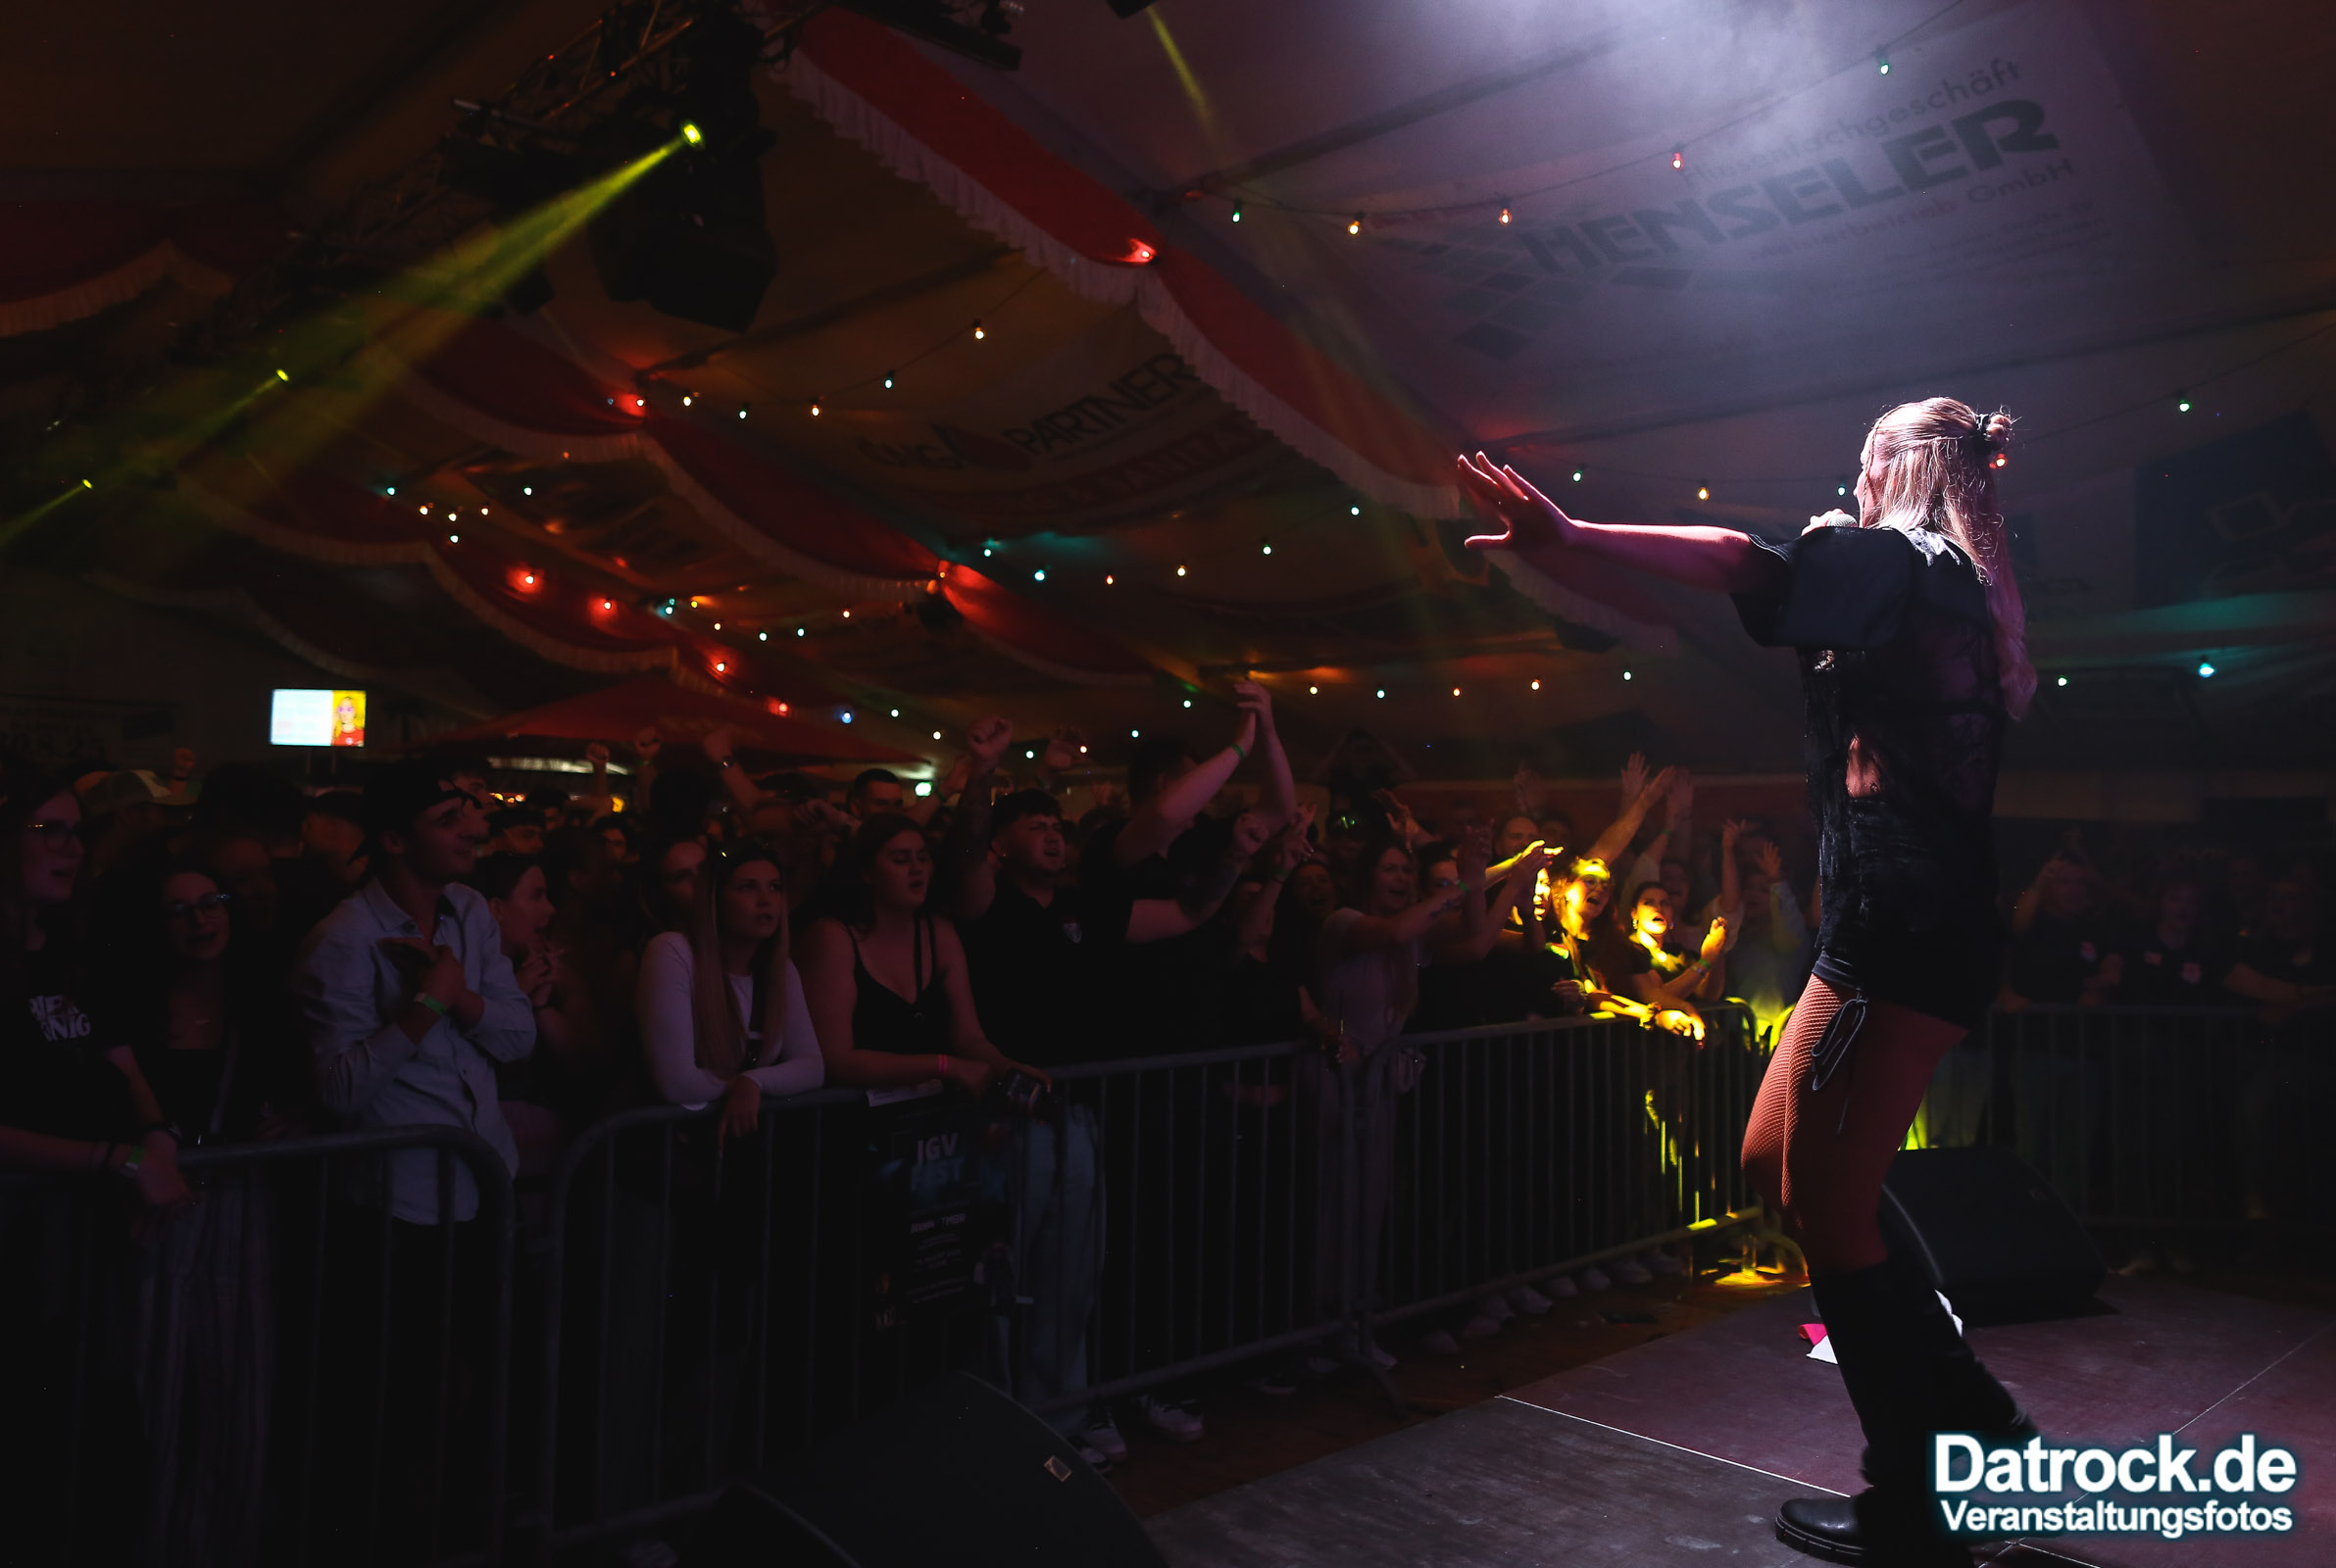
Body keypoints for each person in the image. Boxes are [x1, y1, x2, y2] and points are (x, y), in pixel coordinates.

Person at [1462, 396, 2039, 1564]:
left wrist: (1571, 537)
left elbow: (1739, 558)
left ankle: (1915, 1492)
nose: (1852, 479)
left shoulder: (1908, 559)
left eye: (1864, 460)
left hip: (1903, 925)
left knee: (1826, 1205)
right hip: (1885, 921)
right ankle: (1976, 1418)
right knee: (1775, 1165)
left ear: (1900, 466)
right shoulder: (1948, 584)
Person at [0, 764, 192, 1561]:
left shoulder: (74, 953)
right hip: (17, 1248)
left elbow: (121, 1060)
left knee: (94, 1453)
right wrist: (116, 1159)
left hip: (78, 1252)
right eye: (47, 830)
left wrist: (157, 1137)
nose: (70, 848)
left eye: (76, 832)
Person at [92, 851, 290, 1568]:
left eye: (212, 903)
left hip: (240, 1209)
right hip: (161, 1213)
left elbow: (295, 1089)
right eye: (178, 911)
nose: (200, 921)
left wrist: (294, 1119)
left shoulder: (260, 999)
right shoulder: (132, 1009)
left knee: (238, 1396)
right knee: (159, 1393)